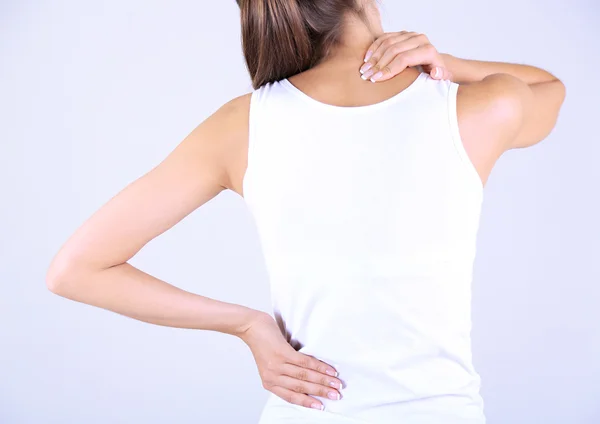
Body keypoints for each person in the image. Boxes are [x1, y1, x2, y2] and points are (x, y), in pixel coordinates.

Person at [46, 0, 566, 423]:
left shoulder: (241, 125)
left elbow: (75, 269)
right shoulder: (479, 105)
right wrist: (450, 64)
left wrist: (247, 325)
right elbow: (551, 88)